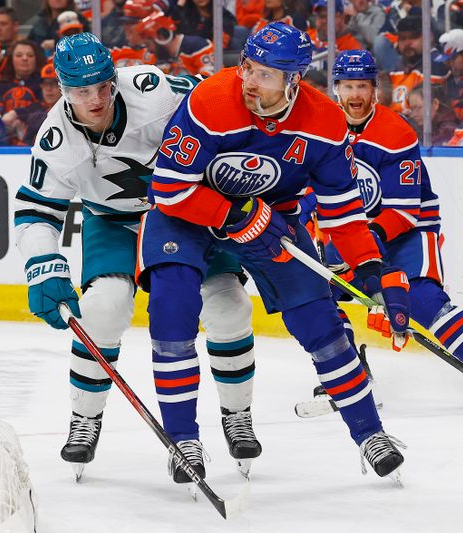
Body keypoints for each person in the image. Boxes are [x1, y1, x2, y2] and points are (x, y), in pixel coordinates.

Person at [137, 22, 410, 481]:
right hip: (188, 212)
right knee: (172, 303)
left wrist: (371, 267)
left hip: (272, 216)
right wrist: (233, 215)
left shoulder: (324, 121)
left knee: (319, 320)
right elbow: (168, 189)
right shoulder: (209, 100)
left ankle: (370, 434)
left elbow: (342, 211)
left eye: (265, 75)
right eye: (248, 67)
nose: (249, 81)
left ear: (294, 81)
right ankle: (183, 440)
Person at [13, 33, 255, 481]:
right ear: (63, 90)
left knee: (230, 304)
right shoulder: (55, 138)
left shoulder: (150, 89)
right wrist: (43, 266)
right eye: (82, 91)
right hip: (113, 221)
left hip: (183, 212)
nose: (96, 99)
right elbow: (34, 212)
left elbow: (210, 100)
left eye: (103, 85)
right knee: (103, 309)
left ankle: (237, 414)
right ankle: (85, 417)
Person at [315, 49, 463, 408]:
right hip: (348, 230)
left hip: (407, 228)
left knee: (419, 297)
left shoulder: (395, 133)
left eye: (362, 86)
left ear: (375, 90)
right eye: (347, 86)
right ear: (335, 90)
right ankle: (347, 372)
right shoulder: (321, 131)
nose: (355, 95)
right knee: (316, 296)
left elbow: (403, 210)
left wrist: (364, 244)